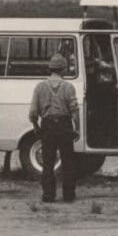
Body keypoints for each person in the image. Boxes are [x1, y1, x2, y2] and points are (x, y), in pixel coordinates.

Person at [29, 54, 80, 203]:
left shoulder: (40, 87)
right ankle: (69, 195)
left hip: (47, 125)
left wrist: (36, 125)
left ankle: (48, 195)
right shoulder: (69, 87)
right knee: (68, 161)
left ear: (51, 69)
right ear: (63, 69)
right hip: (64, 125)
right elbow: (74, 110)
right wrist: (77, 128)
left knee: (48, 161)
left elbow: (33, 112)